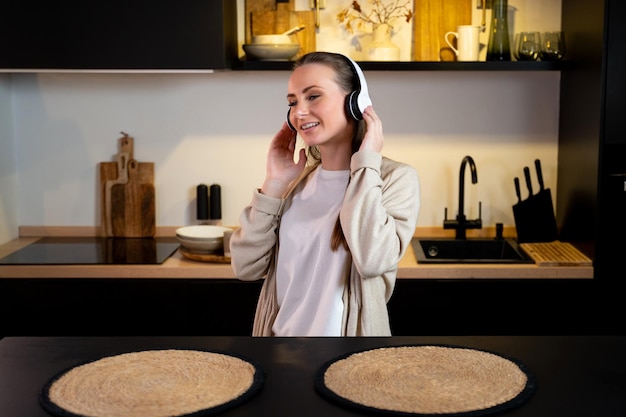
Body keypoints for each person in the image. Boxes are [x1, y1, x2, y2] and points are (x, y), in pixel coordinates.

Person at [230, 51, 420, 337]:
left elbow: (373, 261)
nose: (299, 112)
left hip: (348, 364)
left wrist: (367, 162)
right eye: (293, 102)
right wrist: (274, 184)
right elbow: (246, 267)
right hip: (279, 352)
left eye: (313, 96)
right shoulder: (297, 184)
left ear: (357, 103)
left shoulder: (394, 180)